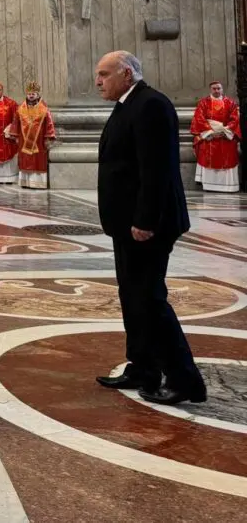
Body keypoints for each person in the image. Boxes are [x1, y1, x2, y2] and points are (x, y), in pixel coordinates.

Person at [94, 50, 205, 406]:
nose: (98, 81)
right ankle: (143, 367)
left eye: (104, 74)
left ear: (126, 74)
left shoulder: (151, 105)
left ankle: (185, 379)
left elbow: (156, 171)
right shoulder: (129, 104)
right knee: (133, 298)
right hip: (127, 225)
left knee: (150, 300)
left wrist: (145, 220)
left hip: (147, 226)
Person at [191, 80, 240, 193]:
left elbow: (235, 119)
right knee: (205, 149)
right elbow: (199, 119)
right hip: (210, 136)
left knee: (230, 152)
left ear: (222, 89)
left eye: (219, 88)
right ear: (210, 89)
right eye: (214, 88)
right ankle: (209, 186)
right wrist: (210, 132)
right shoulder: (203, 103)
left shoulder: (230, 103)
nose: (217, 90)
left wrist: (225, 131)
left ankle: (228, 186)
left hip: (225, 136)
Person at [9, 81, 57, 190]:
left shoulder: (44, 108)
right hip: (23, 140)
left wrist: (48, 136)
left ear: (38, 95)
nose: (31, 95)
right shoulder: (20, 108)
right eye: (29, 93)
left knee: (37, 160)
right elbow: (16, 121)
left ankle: (38, 183)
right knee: (25, 160)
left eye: (33, 94)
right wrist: (14, 134)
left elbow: (49, 122)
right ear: (26, 94)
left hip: (39, 140)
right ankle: (25, 181)